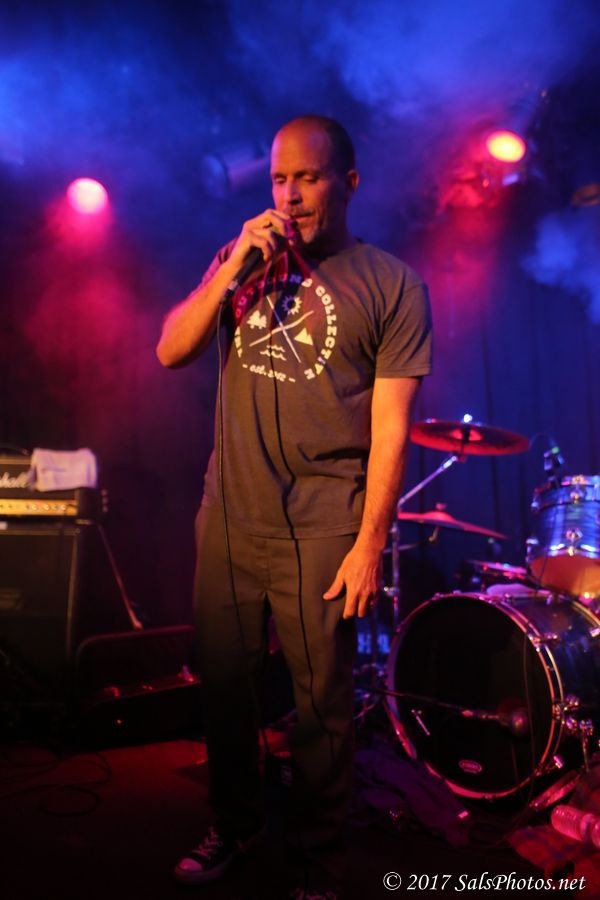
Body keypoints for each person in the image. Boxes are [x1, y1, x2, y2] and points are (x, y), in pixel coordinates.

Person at [156, 115, 432, 900]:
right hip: (230, 517)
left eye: (307, 178)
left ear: (348, 182)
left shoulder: (391, 285)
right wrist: (229, 270)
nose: (290, 195)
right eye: (279, 179)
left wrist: (369, 544)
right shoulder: (241, 263)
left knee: (320, 711)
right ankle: (237, 824)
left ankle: (317, 863)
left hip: (323, 525)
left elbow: (391, 431)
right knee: (224, 691)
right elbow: (170, 349)